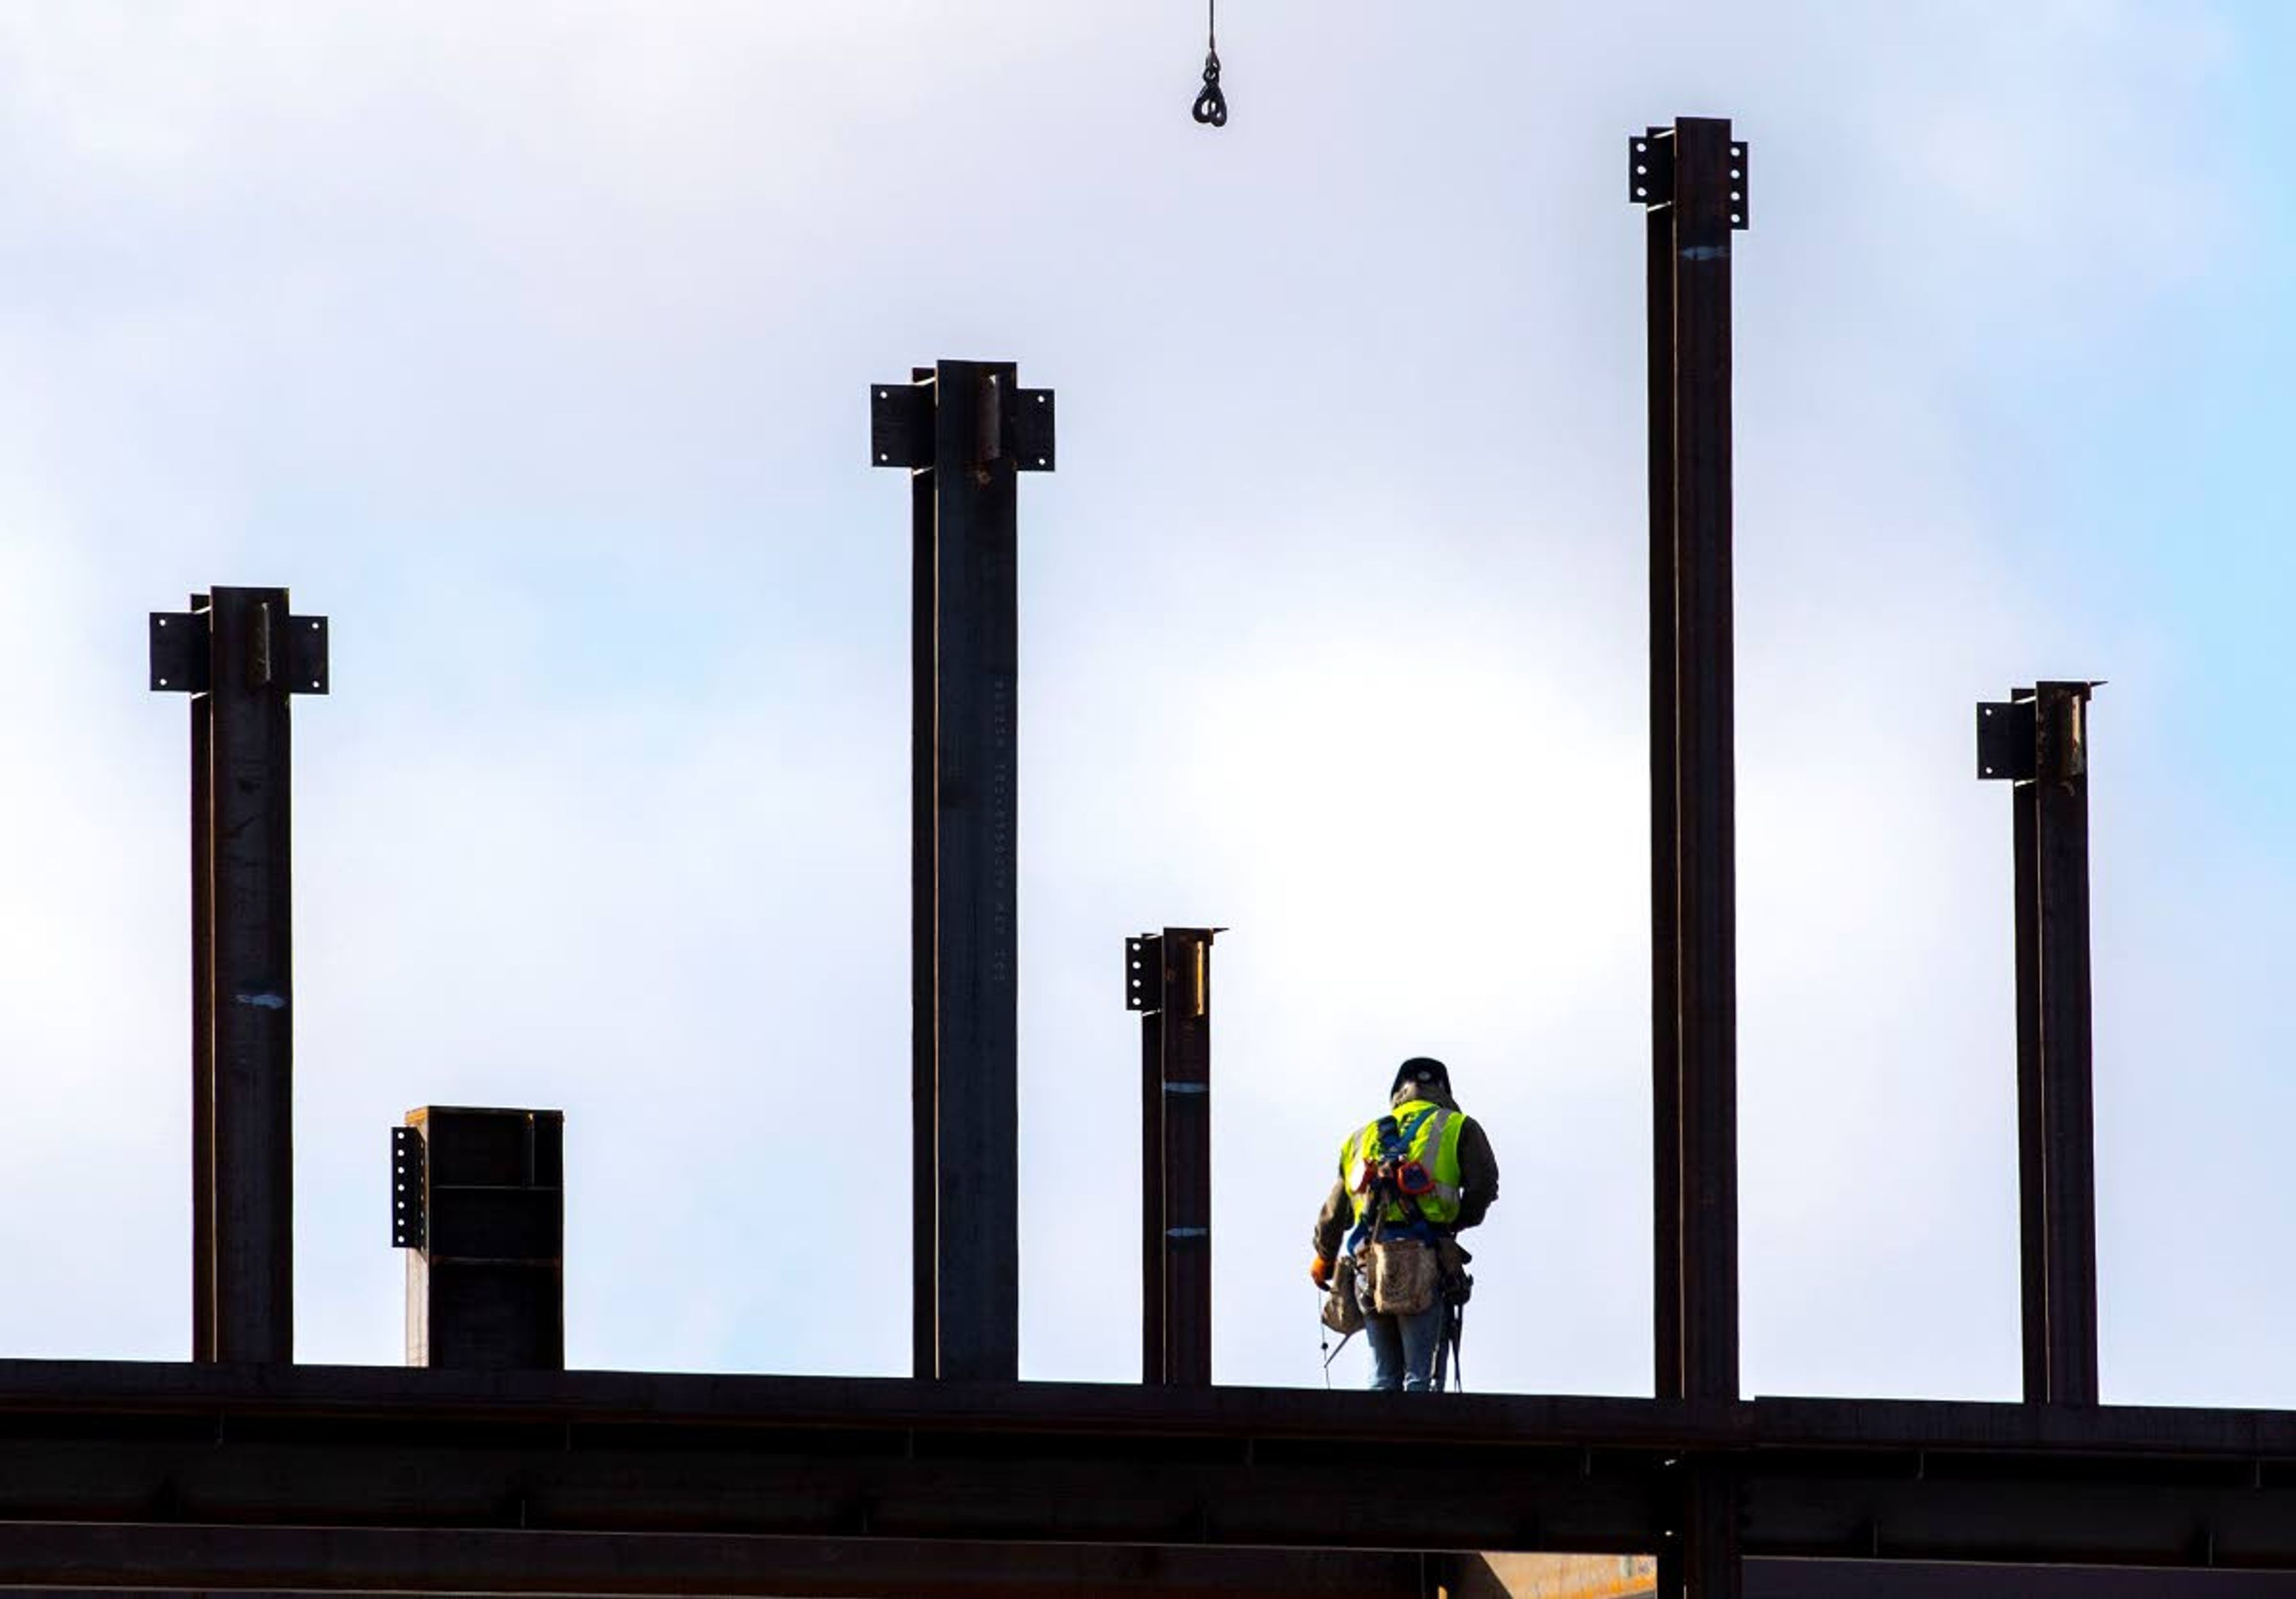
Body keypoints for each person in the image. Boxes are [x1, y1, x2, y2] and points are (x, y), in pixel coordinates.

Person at [1309, 1056, 1499, 1392]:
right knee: (1420, 1379)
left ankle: (1379, 1440)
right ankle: (1417, 1439)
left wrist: (1324, 1257)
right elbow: (1483, 1187)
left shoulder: (1361, 1138)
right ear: (1443, 1090)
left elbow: (1336, 1210)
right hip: (1424, 1260)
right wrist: (1454, 1224)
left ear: (1398, 1091)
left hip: (1369, 1265)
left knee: (1383, 1378)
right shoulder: (1457, 1126)